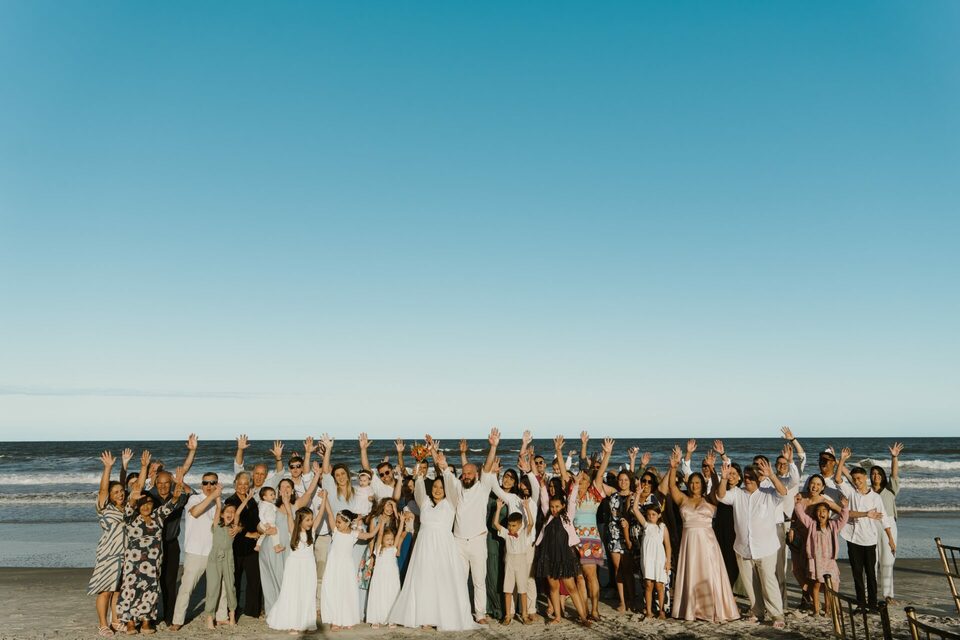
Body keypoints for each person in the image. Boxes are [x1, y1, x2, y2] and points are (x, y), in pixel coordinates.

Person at [388, 447, 479, 631]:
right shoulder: (425, 503)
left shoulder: (451, 502)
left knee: (443, 581)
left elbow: (451, 484)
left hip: (444, 547)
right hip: (425, 547)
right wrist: (420, 460)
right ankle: (426, 617)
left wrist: (443, 466)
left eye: (441, 488)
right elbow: (419, 483)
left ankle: (442, 616)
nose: (438, 490)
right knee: (425, 580)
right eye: (435, 487)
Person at [666, 446, 739, 623]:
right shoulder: (682, 499)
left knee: (709, 573)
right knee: (690, 571)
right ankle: (690, 609)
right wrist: (674, 466)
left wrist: (713, 469)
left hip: (707, 542)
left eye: (698, 482)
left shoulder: (710, 498)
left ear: (702, 484)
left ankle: (711, 609)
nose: (694, 485)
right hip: (689, 542)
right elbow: (671, 486)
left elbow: (716, 486)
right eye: (691, 482)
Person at [116, 453, 185, 635]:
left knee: (150, 591)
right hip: (134, 564)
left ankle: (146, 622)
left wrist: (176, 496)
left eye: (148, 503)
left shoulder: (157, 516)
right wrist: (144, 467)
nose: (146, 506)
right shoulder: (131, 517)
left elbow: (172, 503)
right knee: (131, 590)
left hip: (152, 565)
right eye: (142, 503)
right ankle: (131, 622)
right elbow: (136, 491)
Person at [716, 457, 789, 628]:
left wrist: (771, 475)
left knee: (768, 582)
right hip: (743, 548)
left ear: (758, 479)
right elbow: (720, 496)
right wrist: (724, 478)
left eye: (751, 477)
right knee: (750, 584)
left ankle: (777, 615)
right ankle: (757, 612)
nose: (748, 479)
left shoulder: (768, 494)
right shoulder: (737, 493)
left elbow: (783, 492)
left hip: (766, 548)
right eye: (746, 476)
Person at [441, 428, 500, 624]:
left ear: (477, 475)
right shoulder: (458, 488)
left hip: (477, 540)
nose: (466, 476)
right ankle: (460, 612)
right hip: (458, 541)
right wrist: (460, 454)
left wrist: (493, 446)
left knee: (479, 581)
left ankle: (480, 614)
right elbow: (448, 474)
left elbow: (489, 466)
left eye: (469, 473)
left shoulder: (482, 489)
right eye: (464, 473)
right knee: (459, 580)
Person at [558, 432, 616, 622]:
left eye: (583, 479)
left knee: (591, 576)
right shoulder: (571, 493)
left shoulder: (595, 493)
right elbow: (562, 470)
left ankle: (595, 610)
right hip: (573, 539)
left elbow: (599, 473)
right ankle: (583, 609)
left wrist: (607, 454)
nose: (580, 481)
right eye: (578, 479)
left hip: (590, 538)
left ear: (590, 482)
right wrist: (559, 451)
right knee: (579, 578)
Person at [534, 441, 589, 627]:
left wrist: (574, 486)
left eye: (558, 506)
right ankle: (557, 616)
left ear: (563, 506)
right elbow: (543, 497)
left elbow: (572, 500)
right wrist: (542, 484)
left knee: (572, 587)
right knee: (553, 587)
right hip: (548, 555)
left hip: (564, 555)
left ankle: (582, 616)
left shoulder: (567, 516)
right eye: (553, 506)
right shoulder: (548, 515)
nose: (555, 509)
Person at [834, 448, 896, 613]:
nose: (857, 481)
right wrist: (841, 460)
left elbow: (883, 519)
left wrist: (890, 538)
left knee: (870, 573)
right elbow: (838, 478)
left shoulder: (875, 497)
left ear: (865, 478)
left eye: (859, 478)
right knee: (857, 573)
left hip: (870, 540)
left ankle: (873, 604)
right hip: (853, 538)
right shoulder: (850, 492)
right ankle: (861, 603)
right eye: (854, 479)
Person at [147, 435, 197, 627]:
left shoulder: (179, 496)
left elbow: (190, 490)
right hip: (151, 546)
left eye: (167, 483)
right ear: (155, 483)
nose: (163, 486)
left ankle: (169, 617)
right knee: (151, 582)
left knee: (169, 582)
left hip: (171, 544)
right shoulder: (149, 496)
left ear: (172, 483)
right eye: (159, 483)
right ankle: (149, 618)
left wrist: (192, 452)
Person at [169, 471, 228, 630]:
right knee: (186, 587)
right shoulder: (194, 498)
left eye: (213, 482)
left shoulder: (219, 501)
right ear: (201, 485)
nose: (209, 486)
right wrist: (213, 497)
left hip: (214, 550)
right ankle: (177, 620)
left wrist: (218, 502)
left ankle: (222, 616)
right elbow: (195, 512)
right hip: (195, 551)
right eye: (206, 483)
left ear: (217, 483)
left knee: (220, 585)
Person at [266, 506, 327, 632]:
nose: (311, 522)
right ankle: (293, 623)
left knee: (307, 592)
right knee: (293, 592)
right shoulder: (293, 531)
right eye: (308, 520)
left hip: (308, 566)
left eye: (311, 519)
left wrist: (325, 500)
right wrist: (287, 504)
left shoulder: (312, 532)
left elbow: (320, 516)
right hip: (294, 566)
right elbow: (289, 515)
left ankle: (304, 621)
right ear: (300, 521)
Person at [319, 510, 382, 630]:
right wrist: (325, 499)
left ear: (347, 523)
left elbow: (369, 535)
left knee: (346, 591)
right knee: (334, 590)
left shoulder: (353, 534)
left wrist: (379, 525)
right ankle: (335, 620)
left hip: (346, 567)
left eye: (339, 522)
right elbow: (330, 515)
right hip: (334, 566)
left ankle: (347, 619)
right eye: (336, 522)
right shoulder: (336, 532)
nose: (336, 524)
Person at [89, 451, 127, 637]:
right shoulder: (104, 508)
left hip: (124, 553)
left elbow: (124, 484)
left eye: (121, 491)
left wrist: (124, 466)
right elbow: (103, 490)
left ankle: (116, 620)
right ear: (110, 496)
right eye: (116, 492)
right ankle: (103, 624)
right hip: (108, 553)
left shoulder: (126, 508)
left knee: (118, 590)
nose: (120, 494)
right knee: (105, 590)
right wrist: (108, 468)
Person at [793, 495, 850, 617]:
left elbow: (844, 518)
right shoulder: (812, 525)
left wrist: (844, 507)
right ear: (815, 514)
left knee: (829, 586)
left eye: (824, 511)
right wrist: (798, 504)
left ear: (828, 514)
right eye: (818, 511)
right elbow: (801, 515)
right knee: (817, 585)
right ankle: (816, 610)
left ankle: (828, 610)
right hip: (816, 561)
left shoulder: (833, 526)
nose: (821, 513)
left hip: (829, 561)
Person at [203, 485, 243, 629]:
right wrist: (217, 493)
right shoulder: (217, 525)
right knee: (213, 587)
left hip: (228, 558)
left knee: (230, 587)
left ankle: (232, 615)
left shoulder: (234, 528)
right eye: (228, 511)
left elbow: (238, 512)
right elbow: (219, 507)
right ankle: (209, 617)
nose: (230, 513)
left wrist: (248, 499)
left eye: (232, 512)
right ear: (222, 514)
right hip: (215, 558)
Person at [225, 471, 263, 621]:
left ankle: (253, 610)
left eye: (246, 484)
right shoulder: (230, 500)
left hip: (252, 547)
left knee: (255, 578)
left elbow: (256, 521)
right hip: (236, 545)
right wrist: (248, 533)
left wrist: (264, 531)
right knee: (235, 579)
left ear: (250, 485)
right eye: (240, 483)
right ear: (235, 483)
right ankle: (232, 610)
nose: (243, 486)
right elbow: (230, 522)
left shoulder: (252, 501)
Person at [492, 499, 535, 624]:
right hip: (510, 561)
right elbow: (496, 523)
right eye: (509, 525)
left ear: (520, 525)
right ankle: (507, 615)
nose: (511, 528)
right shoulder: (506, 532)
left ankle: (525, 615)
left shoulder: (523, 533)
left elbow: (531, 523)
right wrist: (499, 508)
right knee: (508, 589)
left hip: (521, 561)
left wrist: (526, 507)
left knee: (523, 589)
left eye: (513, 525)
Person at [366, 515, 411, 628]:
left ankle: (392, 618)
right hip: (380, 577)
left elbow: (399, 534)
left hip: (392, 577)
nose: (390, 541)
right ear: (382, 541)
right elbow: (380, 534)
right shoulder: (378, 550)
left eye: (391, 539)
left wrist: (401, 522)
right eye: (388, 539)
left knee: (392, 594)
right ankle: (375, 619)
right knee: (379, 595)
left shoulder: (393, 549)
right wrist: (381, 524)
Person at [629, 502, 671, 620]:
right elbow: (635, 509)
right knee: (648, 584)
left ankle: (661, 610)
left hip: (659, 559)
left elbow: (668, 546)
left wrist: (668, 562)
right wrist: (637, 494)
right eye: (649, 514)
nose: (651, 516)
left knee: (659, 585)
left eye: (654, 514)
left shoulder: (662, 527)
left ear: (659, 515)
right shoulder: (646, 525)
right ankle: (648, 611)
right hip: (648, 559)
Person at [873, 442, 903, 604]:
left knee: (887, 560)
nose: (876, 476)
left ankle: (888, 595)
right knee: (872, 561)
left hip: (889, 525)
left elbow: (894, 474)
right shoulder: (868, 491)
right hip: (872, 525)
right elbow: (852, 478)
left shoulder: (890, 489)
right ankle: (870, 594)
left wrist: (894, 457)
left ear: (882, 476)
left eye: (878, 473)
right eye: (873, 474)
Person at [233, 435, 283, 502]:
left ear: (266, 476)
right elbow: (238, 466)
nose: (259, 476)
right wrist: (240, 449)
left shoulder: (269, 485)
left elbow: (279, 474)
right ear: (253, 473)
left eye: (262, 474)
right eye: (257, 473)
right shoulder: (246, 484)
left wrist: (278, 458)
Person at [256, 487, 285, 554]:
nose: (274, 496)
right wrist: (265, 523)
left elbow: (278, 510)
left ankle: (258, 546)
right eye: (271, 495)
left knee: (264, 535)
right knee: (275, 532)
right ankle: (276, 547)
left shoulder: (271, 504)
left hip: (270, 523)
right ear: (265, 497)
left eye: (274, 494)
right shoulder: (263, 504)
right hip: (265, 523)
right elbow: (260, 515)